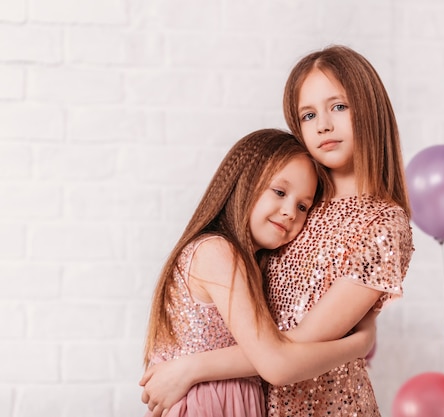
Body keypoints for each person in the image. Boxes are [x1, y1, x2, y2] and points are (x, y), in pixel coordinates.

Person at [140, 45, 414, 416]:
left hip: (325, 406)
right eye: (308, 114)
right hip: (255, 401)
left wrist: (192, 369)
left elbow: (293, 344)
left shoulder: (380, 223)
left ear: (369, 109)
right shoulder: (299, 206)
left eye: (339, 107)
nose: (324, 125)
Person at [141, 128, 378, 417]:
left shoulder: (249, 264)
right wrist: (358, 344)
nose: (290, 212)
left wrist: (191, 368)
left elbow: (278, 347)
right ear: (244, 182)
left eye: (303, 206)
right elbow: (276, 363)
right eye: (279, 192)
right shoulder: (217, 252)